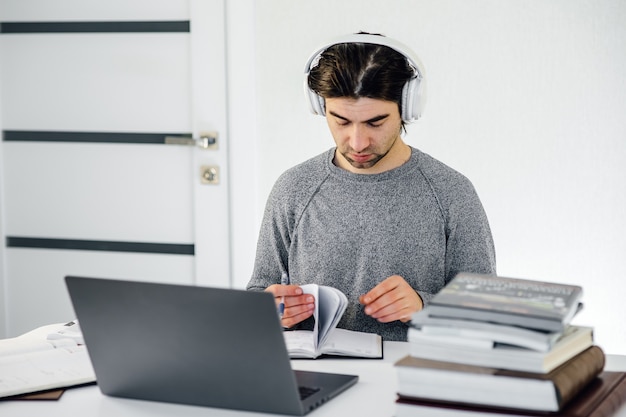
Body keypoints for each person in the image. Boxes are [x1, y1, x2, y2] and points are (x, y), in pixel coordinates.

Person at [246, 32, 496, 341]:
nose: (358, 142)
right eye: (341, 121)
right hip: (316, 377)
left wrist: (423, 305)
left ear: (407, 107)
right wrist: (273, 310)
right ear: (321, 108)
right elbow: (259, 292)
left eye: (375, 123)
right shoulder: (294, 188)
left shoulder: (451, 192)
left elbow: (485, 312)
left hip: (410, 374)